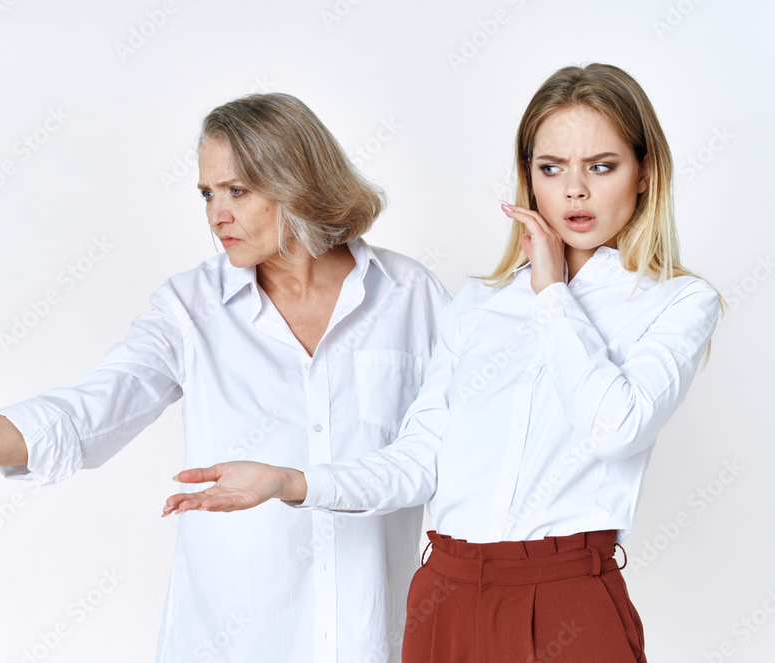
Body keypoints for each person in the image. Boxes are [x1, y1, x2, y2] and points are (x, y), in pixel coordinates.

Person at [0, 93, 451, 663]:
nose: (215, 213)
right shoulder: (190, 309)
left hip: (377, 638)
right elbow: (85, 414)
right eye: (206, 194)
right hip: (231, 643)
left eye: (237, 191)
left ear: (296, 178)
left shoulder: (412, 296)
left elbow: (445, 458)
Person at [164, 64, 721, 662]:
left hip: (568, 597)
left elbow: (616, 428)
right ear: (528, 177)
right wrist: (292, 482)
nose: (574, 190)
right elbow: (417, 462)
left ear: (645, 174)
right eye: (551, 168)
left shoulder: (677, 302)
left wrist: (552, 293)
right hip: (446, 598)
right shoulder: (480, 305)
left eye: (601, 166)